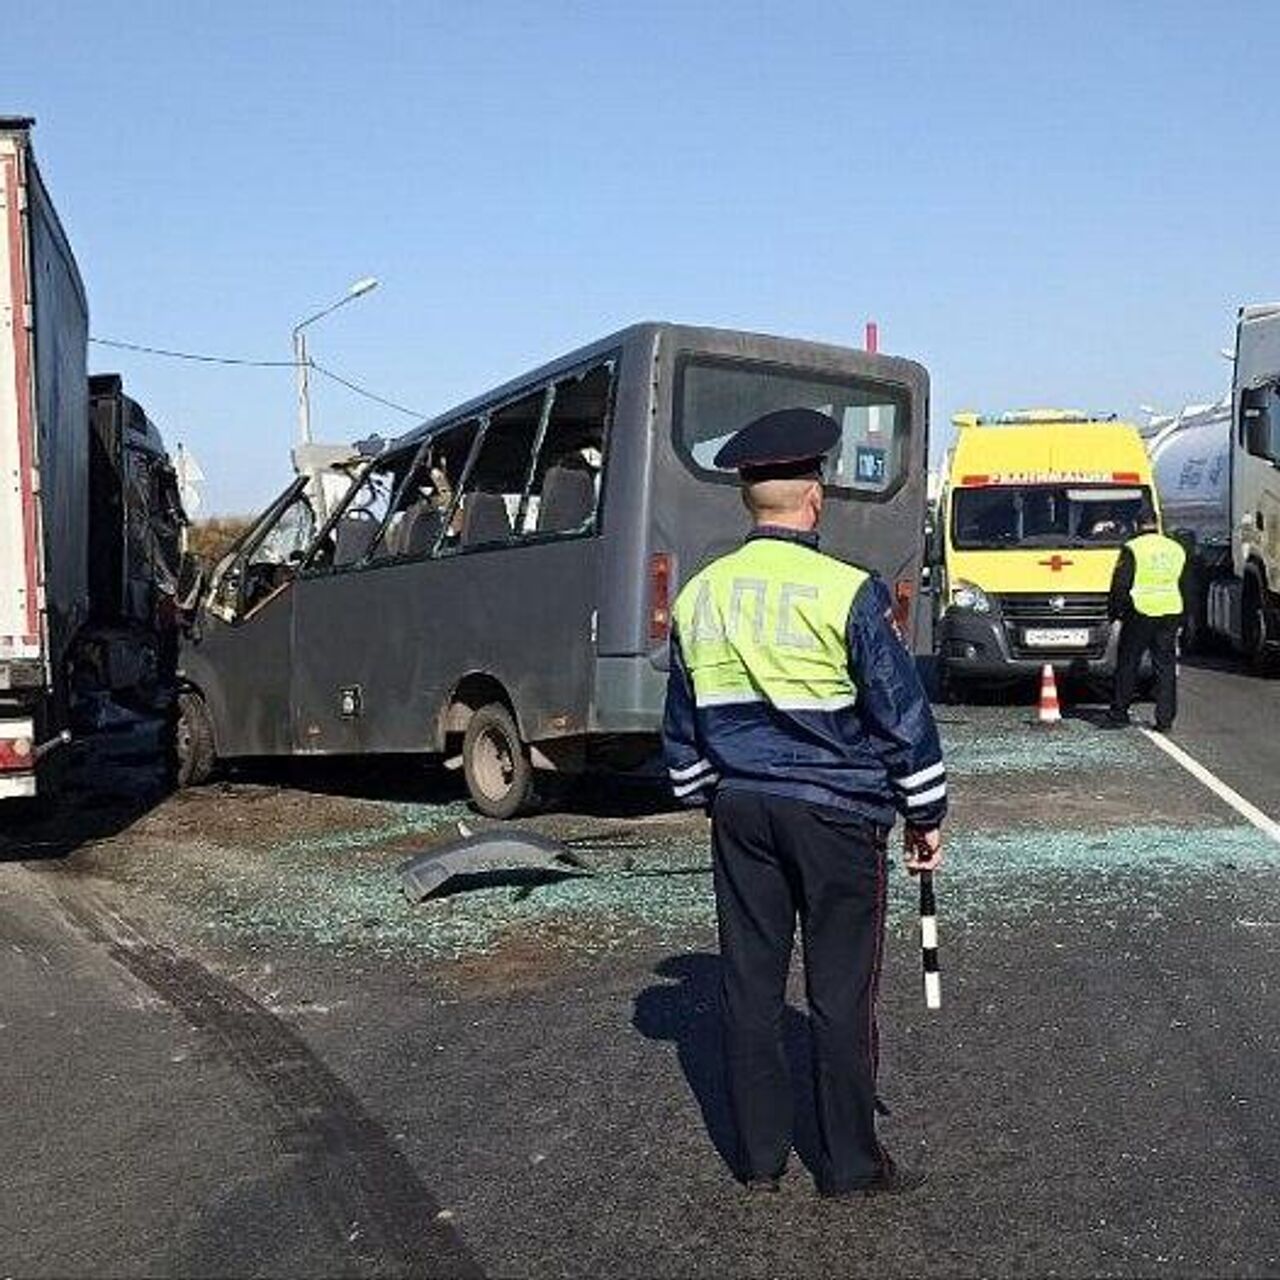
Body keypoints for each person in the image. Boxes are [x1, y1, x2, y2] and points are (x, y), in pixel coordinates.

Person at [662, 407, 947, 1200]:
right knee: (839, 992)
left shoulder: (700, 595)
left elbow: (682, 725)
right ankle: (852, 1167)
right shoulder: (846, 592)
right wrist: (925, 815)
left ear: (748, 499)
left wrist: (705, 794)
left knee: (750, 986)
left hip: (742, 809)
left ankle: (759, 1162)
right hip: (836, 816)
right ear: (813, 495)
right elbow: (900, 714)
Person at [1106, 509, 1186, 732]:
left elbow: (1121, 585)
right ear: (1156, 522)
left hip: (1140, 611)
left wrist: (1114, 612)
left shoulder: (1133, 548)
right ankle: (1165, 720)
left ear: (1136, 524)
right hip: (1170, 610)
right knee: (1165, 666)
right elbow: (1186, 584)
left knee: (1128, 662)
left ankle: (1120, 713)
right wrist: (1184, 617)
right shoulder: (1175, 548)